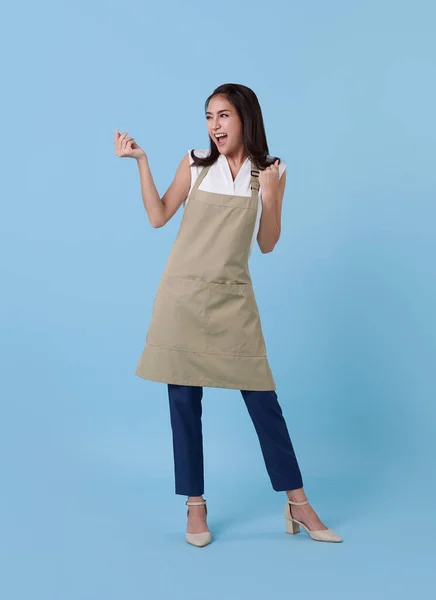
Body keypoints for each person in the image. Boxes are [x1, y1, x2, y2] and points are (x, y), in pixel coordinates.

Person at [114, 83, 342, 547]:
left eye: (223, 116)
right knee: (183, 403)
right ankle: (195, 506)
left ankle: (298, 502)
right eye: (208, 116)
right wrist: (141, 162)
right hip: (181, 297)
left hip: (233, 299)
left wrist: (274, 195)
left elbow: (267, 242)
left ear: (245, 117)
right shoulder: (196, 163)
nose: (214, 126)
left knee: (263, 401)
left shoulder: (271, 171)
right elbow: (158, 216)